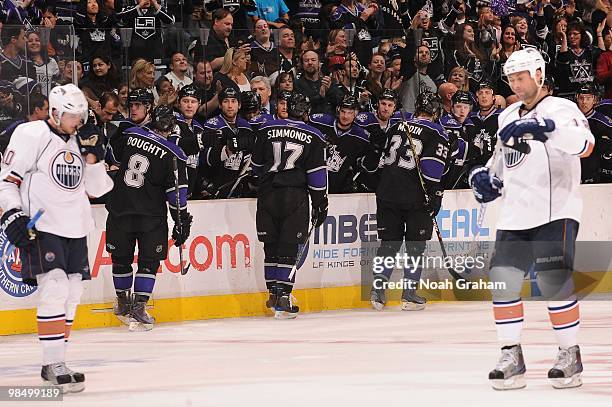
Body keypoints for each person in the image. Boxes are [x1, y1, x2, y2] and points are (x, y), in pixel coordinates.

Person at [468, 48, 595, 391]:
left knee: (554, 280)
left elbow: (585, 145)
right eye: (511, 78)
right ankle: (511, 354)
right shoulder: (506, 115)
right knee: (503, 281)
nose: (516, 83)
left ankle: (569, 353)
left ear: (538, 74)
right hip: (515, 213)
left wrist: (546, 128)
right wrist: (484, 179)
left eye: (521, 77)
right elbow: (500, 160)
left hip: (556, 210)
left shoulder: (562, 109)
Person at [0, 83, 113, 392]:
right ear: (54, 112)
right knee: (55, 287)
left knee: (73, 293)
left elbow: (100, 190)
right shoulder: (30, 134)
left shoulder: (82, 140)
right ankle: (53, 364)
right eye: (72, 116)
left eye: (81, 115)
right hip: (43, 225)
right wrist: (12, 214)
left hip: (75, 226)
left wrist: (93, 160)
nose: (78, 121)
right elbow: (7, 181)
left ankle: (58, 360)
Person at [105, 104, 191, 331]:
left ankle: (123, 304)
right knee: (148, 263)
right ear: (172, 127)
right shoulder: (174, 153)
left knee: (120, 259)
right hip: (150, 216)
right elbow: (176, 196)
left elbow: (111, 156)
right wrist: (182, 222)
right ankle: (139, 307)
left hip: (119, 209)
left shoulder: (131, 134)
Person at [371, 91, 449, 312]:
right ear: (436, 111)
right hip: (415, 197)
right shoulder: (437, 132)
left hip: (387, 193)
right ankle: (408, 294)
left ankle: (378, 291)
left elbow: (383, 159)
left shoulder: (397, 126)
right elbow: (432, 172)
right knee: (415, 246)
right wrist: (435, 194)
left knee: (388, 244)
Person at [251, 93, 328, 319]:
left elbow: (256, 167)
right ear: (306, 112)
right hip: (294, 195)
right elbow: (316, 175)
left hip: (267, 194)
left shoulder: (266, 128)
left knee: (271, 247)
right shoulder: (314, 135)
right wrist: (320, 201)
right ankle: (284, 295)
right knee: (287, 247)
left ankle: (274, 293)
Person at [200, 87, 255, 198]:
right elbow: (205, 158)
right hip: (216, 186)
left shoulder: (246, 127)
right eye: (226, 101)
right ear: (220, 105)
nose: (230, 106)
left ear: (239, 105)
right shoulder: (212, 125)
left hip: (238, 188)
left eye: (233, 101)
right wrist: (229, 148)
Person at [309, 94, 370, 193]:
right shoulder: (320, 122)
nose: (345, 116)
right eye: (343, 111)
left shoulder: (361, 137)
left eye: (350, 113)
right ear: (338, 110)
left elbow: (364, 163)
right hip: (313, 181)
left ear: (356, 113)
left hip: (338, 188)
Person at [354, 88, 403, 191]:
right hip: (362, 175)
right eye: (383, 104)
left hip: (385, 178)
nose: (386, 108)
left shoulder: (397, 126)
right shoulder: (364, 120)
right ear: (377, 104)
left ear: (394, 108)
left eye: (390, 105)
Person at [574, 83, 612, 184]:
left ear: (595, 100)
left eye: (588, 98)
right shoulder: (569, 118)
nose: (584, 102)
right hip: (572, 171)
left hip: (592, 174)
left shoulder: (603, 122)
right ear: (577, 98)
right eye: (581, 98)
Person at [440, 90, 477, 189]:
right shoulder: (445, 123)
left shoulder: (470, 125)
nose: (462, 111)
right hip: (444, 172)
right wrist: (478, 148)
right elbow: (460, 150)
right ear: (452, 108)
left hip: (458, 173)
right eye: (459, 106)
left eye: (466, 107)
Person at [469, 81, 503, 167]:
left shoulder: (502, 116)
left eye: (487, 93)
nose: (484, 96)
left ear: (493, 97)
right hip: (474, 163)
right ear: (476, 98)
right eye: (480, 93)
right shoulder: (470, 117)